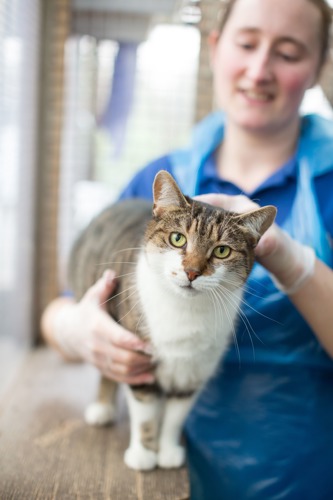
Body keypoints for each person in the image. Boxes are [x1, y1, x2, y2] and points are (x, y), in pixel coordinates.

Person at [41, 0, 333, 497]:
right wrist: (74, 329)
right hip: (161, 477)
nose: (259, 69)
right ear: (215, 48)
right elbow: (61, 309)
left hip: (297, 477)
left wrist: (292, 261)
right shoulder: (157, 177)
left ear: (317, 69)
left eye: (288, 52)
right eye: (246, 44)